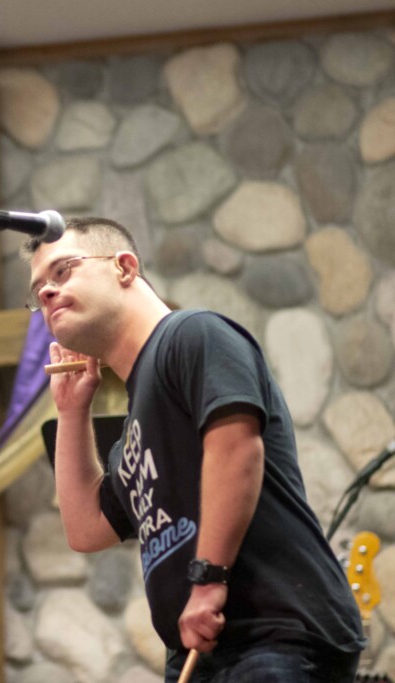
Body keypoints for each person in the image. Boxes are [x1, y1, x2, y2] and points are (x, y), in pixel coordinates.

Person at [22, 216, 365, 682]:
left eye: (63, 271)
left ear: (124, 267)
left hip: (274, 637)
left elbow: (237, 447)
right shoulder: (135, 428)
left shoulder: (192, 335)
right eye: (38, 287)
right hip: (206, 655)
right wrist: (70, 413)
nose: (45, 292)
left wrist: (207, 581)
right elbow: (86, 530)